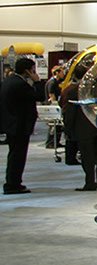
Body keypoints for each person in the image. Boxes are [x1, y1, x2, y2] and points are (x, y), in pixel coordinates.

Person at [60, 66, 97, 190]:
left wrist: (67, 129)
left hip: (82, 128)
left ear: (74, 76)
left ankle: (90, 182)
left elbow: (69, 113)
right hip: (96, 125)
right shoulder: (96, 89)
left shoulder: (72, 91)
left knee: (87, 156)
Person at [1, 58, 39, 194]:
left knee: (14, 155)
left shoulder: (9, 81)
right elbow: (37, 97)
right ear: (27, 71)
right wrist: (37, 82)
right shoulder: (21, 85)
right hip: (19, 126)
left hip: (11, 124)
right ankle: (13, 184)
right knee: (18, 156)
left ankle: (13, 182)